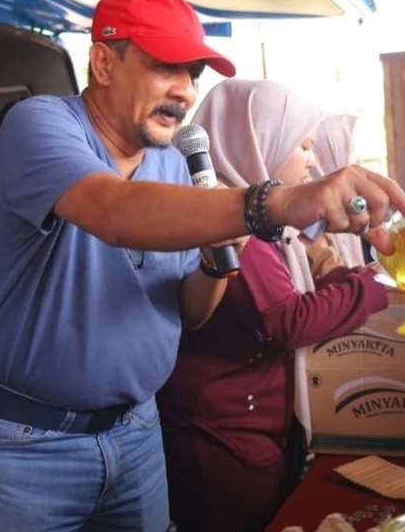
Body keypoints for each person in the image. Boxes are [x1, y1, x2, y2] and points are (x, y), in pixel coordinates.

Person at [0, 0, 405, 532]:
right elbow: (113, 209)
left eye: (193, 73)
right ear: (103, 61)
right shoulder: (40, 123)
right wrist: (273, 202)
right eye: (167, 67)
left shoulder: (176, 163)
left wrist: (218, 261)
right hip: (26, 446)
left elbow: (190, 313)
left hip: (137, 433)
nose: (185, 91)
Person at [156, 79, 389, 532]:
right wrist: (375, 284)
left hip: (246, 428)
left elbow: (299, 290)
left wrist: (349, 277)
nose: (315, 160)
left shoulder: (264, 226)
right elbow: (288, 318)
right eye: (303, 145)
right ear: (261, 141)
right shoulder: (225, 216)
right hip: (219, 438)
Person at [302, 113, 367, 276]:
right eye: (351, 151)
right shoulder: (305, 221)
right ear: (329, 155)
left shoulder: (357, 207)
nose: (360, 160)